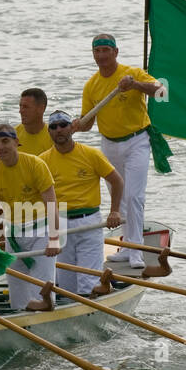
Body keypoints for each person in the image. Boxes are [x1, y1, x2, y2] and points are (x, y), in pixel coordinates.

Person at [76, 33, 163, 270]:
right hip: (109, 144)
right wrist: (76, 125)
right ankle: (126, 247)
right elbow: (87, 124)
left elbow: (161, 91)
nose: (101, 56)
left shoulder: (131, 73)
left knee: (135, 196)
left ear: (116, 52)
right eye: (97, 51)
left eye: (106, 50)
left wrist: (134, 85)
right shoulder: (91, 85)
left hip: (137, 141)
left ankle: (136, 249)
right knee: (122, 197)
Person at [40, 110, 123, 295]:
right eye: (53, 127)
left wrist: (114, 211)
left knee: (87, 281)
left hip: (89, 222)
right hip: (59, 224)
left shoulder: (91, 154)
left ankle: (92, 308)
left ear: (71, 127)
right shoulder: (42, 161)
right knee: (67, 285)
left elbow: (117, 181)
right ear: (49, 132)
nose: (59, 130)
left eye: (63, 125)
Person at [0, 123, 60, 311]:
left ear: (17, 142)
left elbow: (52, 203)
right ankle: (21, 322)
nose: (0, 147)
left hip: (41, 233)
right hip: (14, 235)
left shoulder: (35, 164)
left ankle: (46, 313)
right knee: (17, 296)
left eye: (5, 141)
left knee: (42, 292)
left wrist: (55, 239)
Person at [15, 88, 54, 156]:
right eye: (20, 106)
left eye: (26, 107)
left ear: (41, 109)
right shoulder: (13, 135)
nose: (20, 111)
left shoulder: (53, 136)